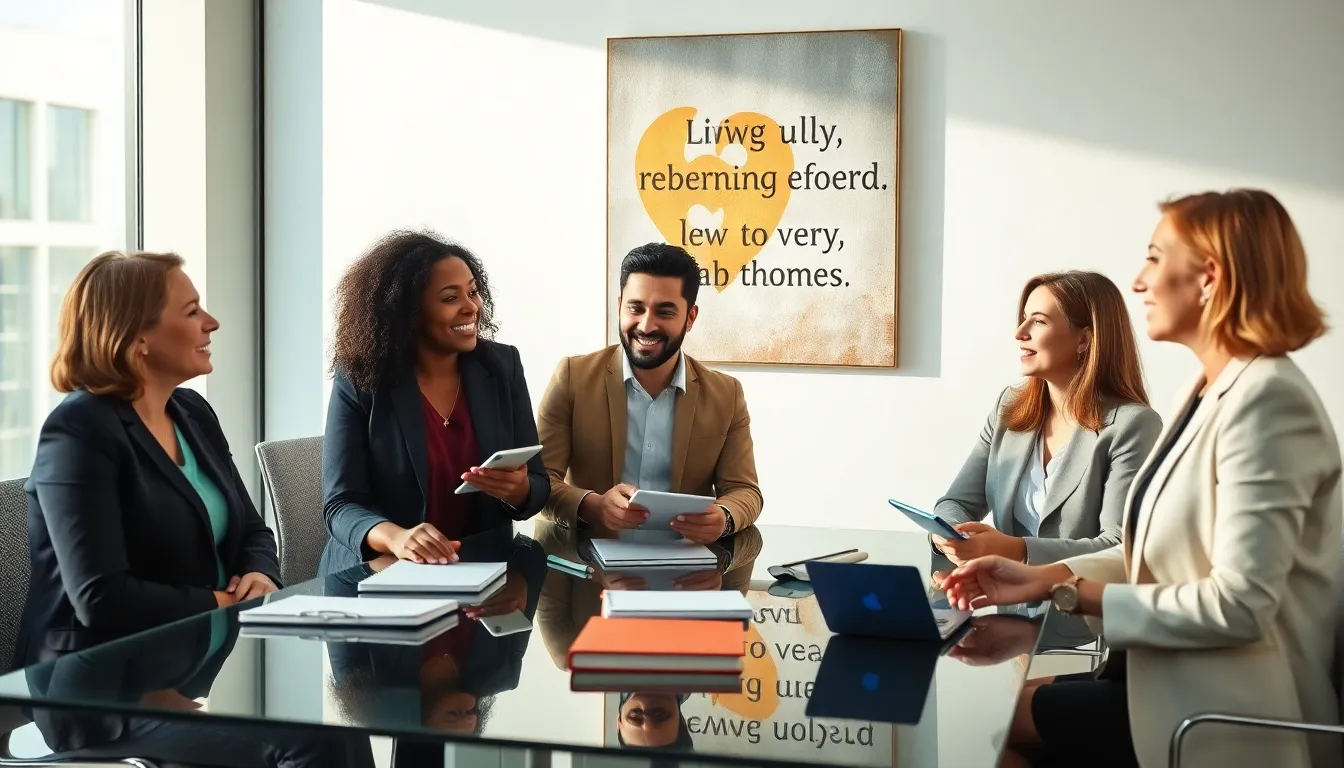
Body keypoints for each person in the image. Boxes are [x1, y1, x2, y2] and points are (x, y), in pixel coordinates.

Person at [937, 189, 1340, 768]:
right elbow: (1149, 554)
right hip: (1153, 674)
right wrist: (1036, 576)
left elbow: (1240, 606)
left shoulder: (1268, 401)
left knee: (990, 728)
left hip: (1220, 705)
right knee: (991, 717)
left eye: (1154, 258)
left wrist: (1067, 591)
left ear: (1209, 277)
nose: (1138, 281)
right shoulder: (1206, 392)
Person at [17, 251, 280, 668]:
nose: (212, 323)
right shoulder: (77, 431)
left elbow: (251, 530)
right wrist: (224, 601)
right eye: (192, 311)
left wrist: (260, 574)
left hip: (194, 659)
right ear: (137, 338)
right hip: (95, 679)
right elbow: (101, 598)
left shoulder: (193, 412)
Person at [320, 231, 547, 575]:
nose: (471, 307)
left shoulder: (502, 366)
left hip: (480, 572)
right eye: (450, 298)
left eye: (473, 292)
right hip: (381, 573)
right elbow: (340, 505)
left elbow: (539, 484)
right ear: (408, 312)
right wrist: (396, 537)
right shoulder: (361, 378)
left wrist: (519, 491)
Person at [536, 242, 763, 544]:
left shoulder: (726, 394)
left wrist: (724, 517)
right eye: (636, 308)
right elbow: (538, 481)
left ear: (690, 317)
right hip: (588, 561)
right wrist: (593, 506)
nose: (646, 325)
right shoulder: (572, 377)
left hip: (684, 563)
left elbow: (745, 490)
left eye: (664, 312)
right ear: (620, 306)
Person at [932, 271, 1162, 565]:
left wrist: (1014, 549)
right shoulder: (1008, 408)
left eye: (1039, 321)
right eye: (1024, 318)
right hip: (1000, 592)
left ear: (1084, 340)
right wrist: (951, 534)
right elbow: (956, 503)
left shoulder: (1133, 425)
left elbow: (1118, 547)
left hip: (1077, 594)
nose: (1020, 332)